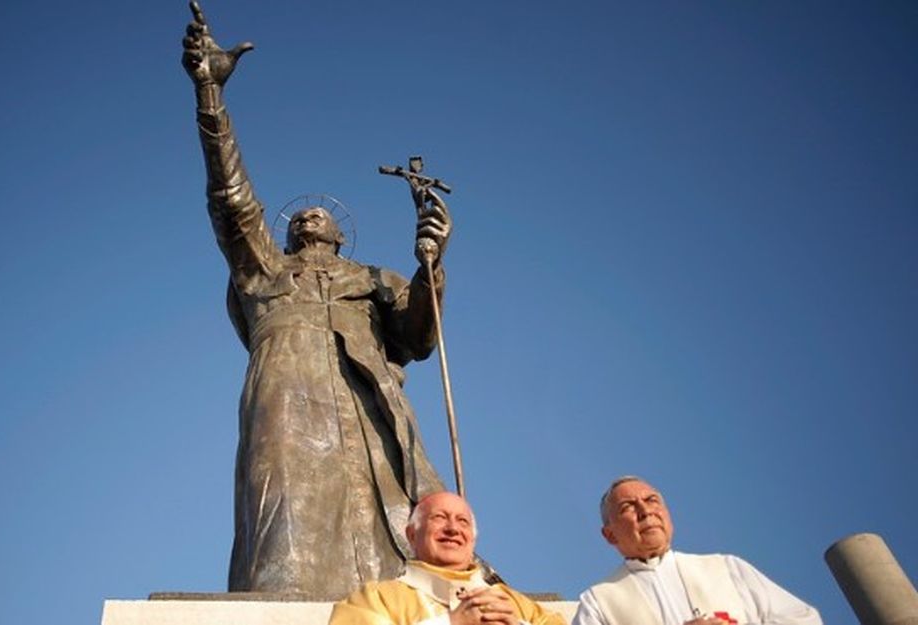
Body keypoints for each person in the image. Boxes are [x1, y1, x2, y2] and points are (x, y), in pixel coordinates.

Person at [181, 2, 454, 599]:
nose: (312, 214)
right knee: (283, 508)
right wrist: (211, 97)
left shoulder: (372, 278)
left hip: (371, 402)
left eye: (322, 215)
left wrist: (430, 265)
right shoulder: (265, 268)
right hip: (287, 387)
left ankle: (404, 598)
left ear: (338, 234)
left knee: (394, 510)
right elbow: (231, 199)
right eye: (302, 213)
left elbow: (418, 338)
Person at [573, 477, 823, 625]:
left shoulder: (726, 568)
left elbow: (805, 619)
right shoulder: (598, 602)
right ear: (610, 534)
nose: (645, 510)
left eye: (652, 501)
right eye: (628, 506)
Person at [329, 492, 565, 625]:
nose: (453, 529)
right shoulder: (375, 599)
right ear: (412, 535)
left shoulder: (518, 606)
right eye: (440, 518)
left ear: (472, 538)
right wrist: (452, 622)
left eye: (463, 522)